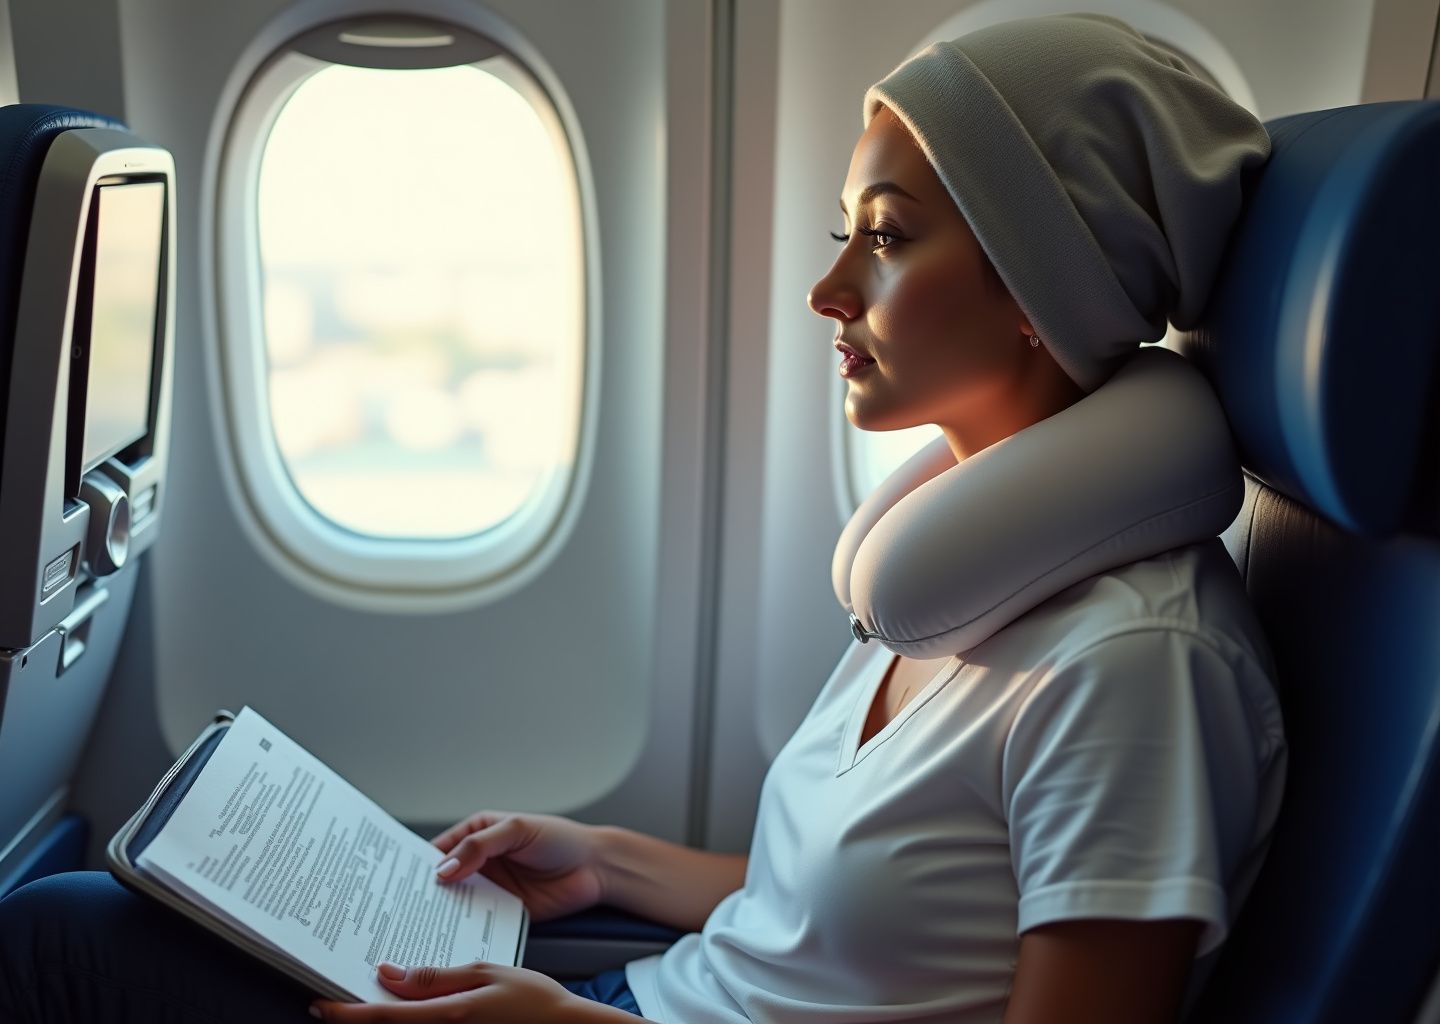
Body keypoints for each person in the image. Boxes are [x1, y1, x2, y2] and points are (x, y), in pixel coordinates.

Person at [0, 12, 1286, 1023]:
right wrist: (605, 860)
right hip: (637, 998)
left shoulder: (1133, 667)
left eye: (887, 240)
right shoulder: (958, 564)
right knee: (96, 913)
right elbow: (841, 926)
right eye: (845, 231)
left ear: (1043, 281)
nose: (827, 288)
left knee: (58, 948)